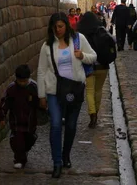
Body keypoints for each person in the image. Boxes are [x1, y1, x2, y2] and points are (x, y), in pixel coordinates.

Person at [37, 12, 97, 178]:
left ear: (66, 25)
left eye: (61, 26)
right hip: (54, 91)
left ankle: (65, 155)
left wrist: (82, 56)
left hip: (74, 90)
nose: (58, 30)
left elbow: (94, 57)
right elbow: (42, 70)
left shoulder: (78, 39)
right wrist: (41, 95)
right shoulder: (47, 46)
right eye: (55, 27)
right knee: (56, 124)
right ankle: (57, 163)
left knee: (70, 125)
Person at [77, 12, 117, 129]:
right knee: (98, 90)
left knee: (89, 91)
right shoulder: (102, 31)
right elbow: (112, 41)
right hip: (102, 66)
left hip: (88, 66)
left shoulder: (81, 34)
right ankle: (96, 112)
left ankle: (92, 114)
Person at [0, 64, 39, 169]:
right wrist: (2, 116)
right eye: (20, 81)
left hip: (30, 122)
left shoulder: (34, 87)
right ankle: (19, 159)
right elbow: (4, 102)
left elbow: (40, 101)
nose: (22, 83)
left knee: (29, 140)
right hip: (16, 122)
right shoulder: (12, 89)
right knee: (17, 141)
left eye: (25, 81)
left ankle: (24, 152)